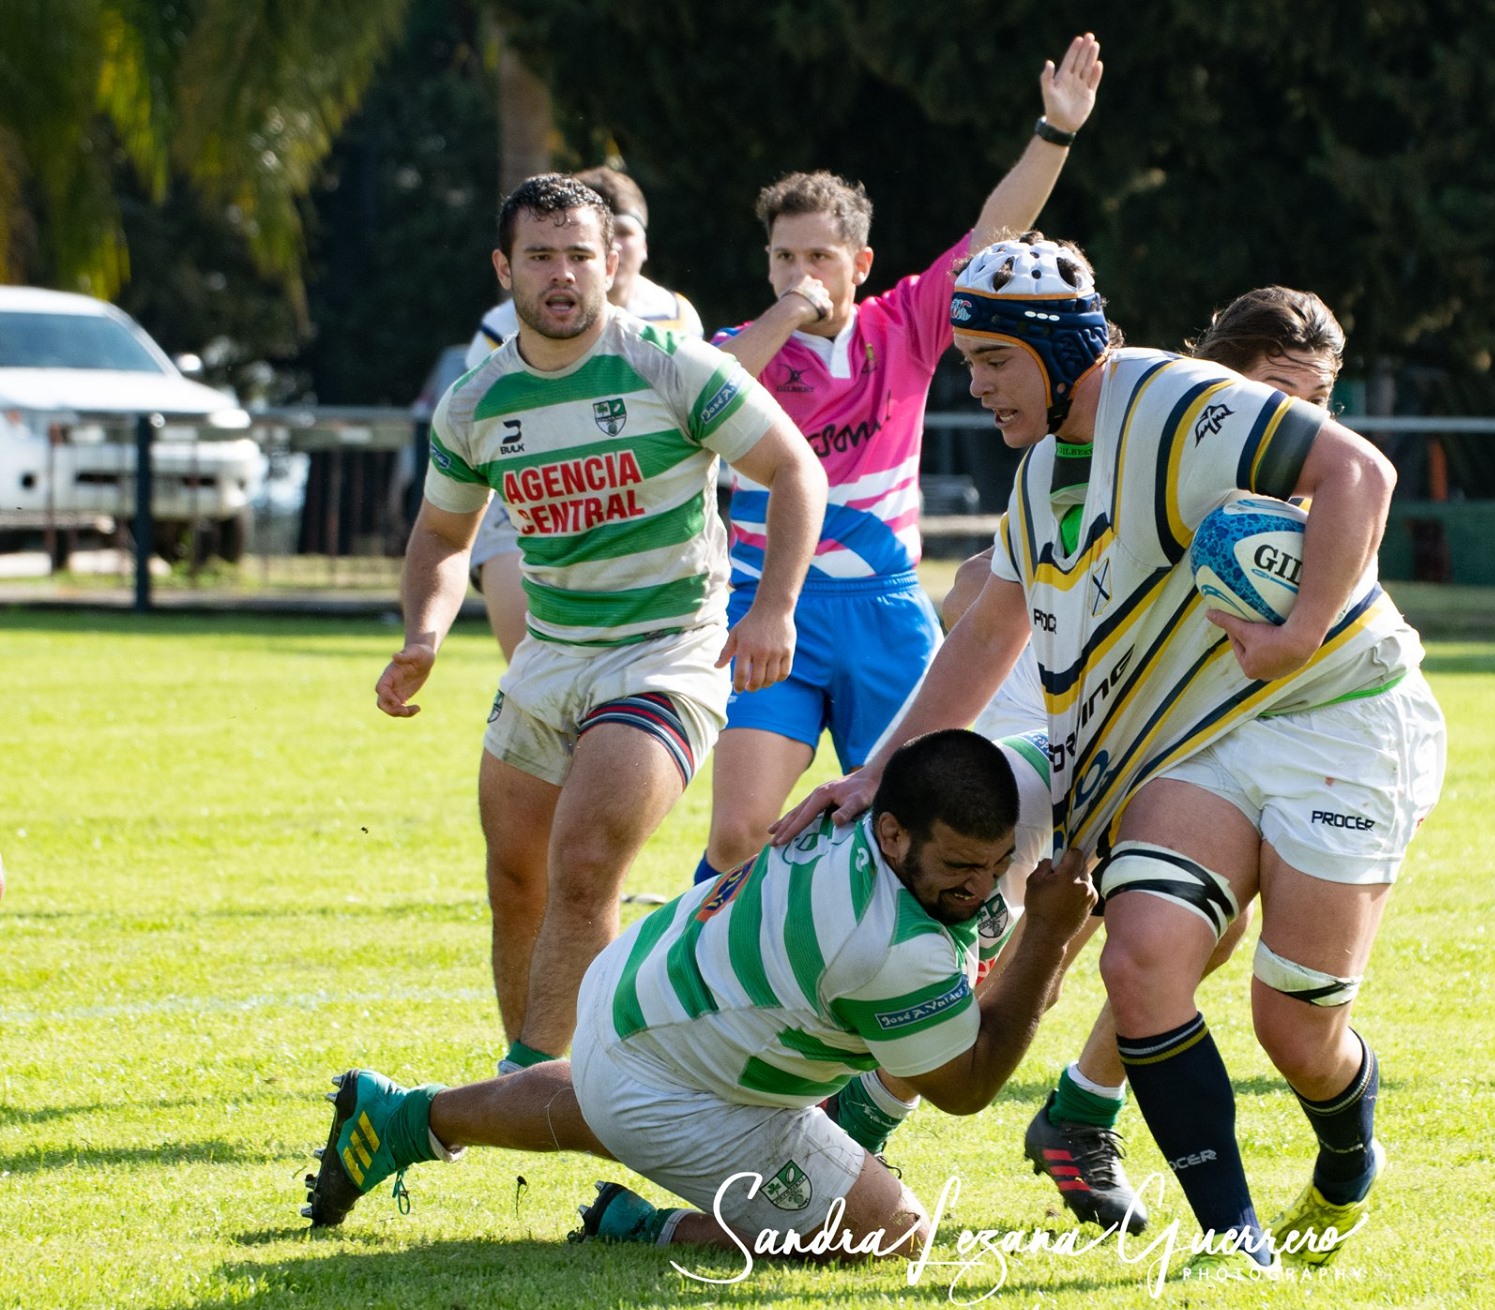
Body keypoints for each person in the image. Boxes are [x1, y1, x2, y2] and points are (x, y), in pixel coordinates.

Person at [777, 237, 1445, 1276]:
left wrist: (1303, 628)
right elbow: (987, 630)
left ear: (1052, 351)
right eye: (964, 362)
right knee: (1139, 960)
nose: (976, 386)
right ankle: (1237, 1244)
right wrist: (877, 769)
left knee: (1295, 1033)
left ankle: (1346, 1161)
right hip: (1206, 740)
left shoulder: (1174, 399)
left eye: (991, 361)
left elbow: (1357, 470)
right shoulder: (1042, 476)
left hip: (1339, 717)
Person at [301, 730, 1096, 1263]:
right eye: (959, 865)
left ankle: (401, 1117)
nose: (981, 887)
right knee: (896, 1233)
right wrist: (1053, 932)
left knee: (618, 1091)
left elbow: (1059, 754)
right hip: (678, 1074)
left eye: (995, 865)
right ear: (892, 834)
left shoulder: (868, 802)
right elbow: (969, 1082)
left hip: (641, 984)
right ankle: (645, 1227)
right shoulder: (883, 944)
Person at [377, 174, 825, 1077]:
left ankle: (530, 1088)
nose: (562, 273)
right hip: (549, 658)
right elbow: (439, 532)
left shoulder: (672, 362)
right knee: (518, 882)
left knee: (584, 863)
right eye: (540, 255)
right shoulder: (478, 402)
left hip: (668, 653)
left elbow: (794, 470)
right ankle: (548, 1082)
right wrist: (425, 630)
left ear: (611, 260)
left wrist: (773, 603)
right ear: (505, 268)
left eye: (580, 254)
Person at [691, 34, 1104, 886]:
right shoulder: (746, 347)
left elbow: (998, 230)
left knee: (910, 830)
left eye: (818, 258)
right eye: (782, 257)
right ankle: (722, 980)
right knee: (737, 833)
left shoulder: (904, 324)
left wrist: (1054, 133)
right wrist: (789, 311)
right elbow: (704, 392)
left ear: (862, 265)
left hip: (886, 611)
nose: (797, 272)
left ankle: (888, 986)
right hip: (772, 604)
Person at [463, 168, 708, 661]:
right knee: (537, 664)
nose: (566, 269)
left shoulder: (674, 317)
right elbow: (476, 432)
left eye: (622, 232)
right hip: (525, 500)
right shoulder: (502, 326)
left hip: (638, 496)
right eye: (546, 253)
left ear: (624, 252)